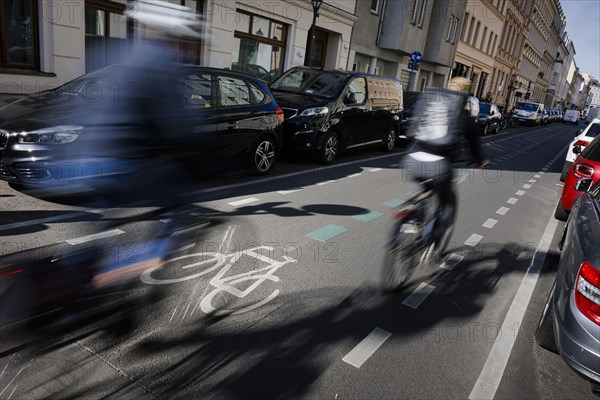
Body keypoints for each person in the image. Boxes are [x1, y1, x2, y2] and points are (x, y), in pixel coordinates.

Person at [402, 77, 489, 261]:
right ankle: (433, 248)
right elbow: (473, 144)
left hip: (412, 158)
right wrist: (479, 161)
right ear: (465, 93)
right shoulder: (462, 115)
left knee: (422, 186)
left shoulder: (430, 104)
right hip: (439, 166)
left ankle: (411, 215)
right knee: (447, 205)